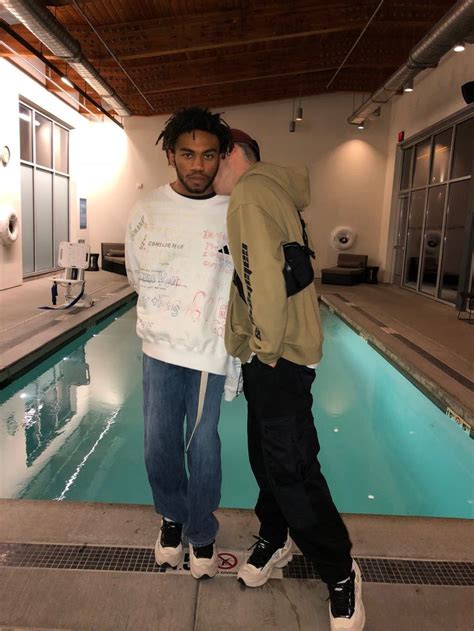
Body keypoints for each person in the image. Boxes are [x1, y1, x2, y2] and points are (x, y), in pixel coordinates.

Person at [213, 129, 365, 631]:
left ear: (233, 154)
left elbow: (261, 279)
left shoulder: (249, 195)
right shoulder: (274, 189)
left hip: (277, 356)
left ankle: (340, 571)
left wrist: (262, 346)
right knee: (267, 457)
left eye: (213, 156)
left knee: (291, 468)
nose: (205, 168)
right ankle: (275, 536)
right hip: (280, 353)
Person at [125, 107, 234, 580]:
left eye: (208, 155)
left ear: (221, 157)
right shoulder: (146, 209)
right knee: (158, 444)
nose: (198, 165)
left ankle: (202, 530)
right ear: (170, 154)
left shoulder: (232, 211)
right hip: (158, 348)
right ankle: (172, 517)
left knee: (203, 445)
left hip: (209, 350)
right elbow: (136, 274)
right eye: (187, 154)